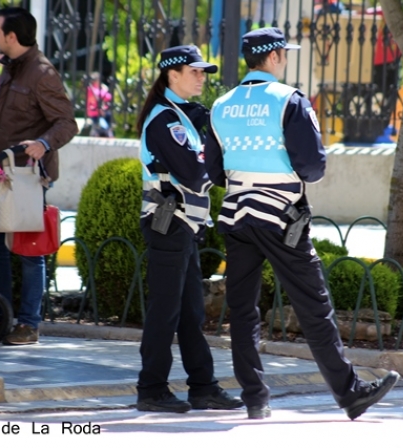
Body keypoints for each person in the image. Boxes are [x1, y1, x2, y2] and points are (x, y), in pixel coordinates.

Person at [205, 27, 399, 420]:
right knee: (314, 306)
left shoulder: (221, 105)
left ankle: (255, 398)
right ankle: (350, 394)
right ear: (274, 56)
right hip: (280, 216)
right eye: (284, 53)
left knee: (242, 310)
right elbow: (311, 167)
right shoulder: (288, 100)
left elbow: (213, 169)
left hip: (236, 215)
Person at [135, 45, 243, 413]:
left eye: (203, 71)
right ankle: (150, 389)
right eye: (194, 71)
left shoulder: (181, 117)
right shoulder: (166, 120)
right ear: (172, 74)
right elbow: (197, 172)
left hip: (183, 226)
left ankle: (203, 387)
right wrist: (214, 143)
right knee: (165, 312)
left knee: (191, 314)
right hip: (169, 224)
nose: (202, 77)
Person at [0, 7, 78, 345]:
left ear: (11, 36)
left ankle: (29, 324)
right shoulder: (10, 69)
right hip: (1, 173)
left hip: (27, 177)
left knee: (28, 250)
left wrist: (43, 142)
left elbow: (68, 123)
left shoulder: (42, 73)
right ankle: (0, 318)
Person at [86, 72, 113, 137]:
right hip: (96, 113)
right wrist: (105, 89)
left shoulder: (91, 89)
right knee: (104, 128)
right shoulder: (92, 89)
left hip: (100, 112)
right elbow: (107, 97)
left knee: (99, 127)